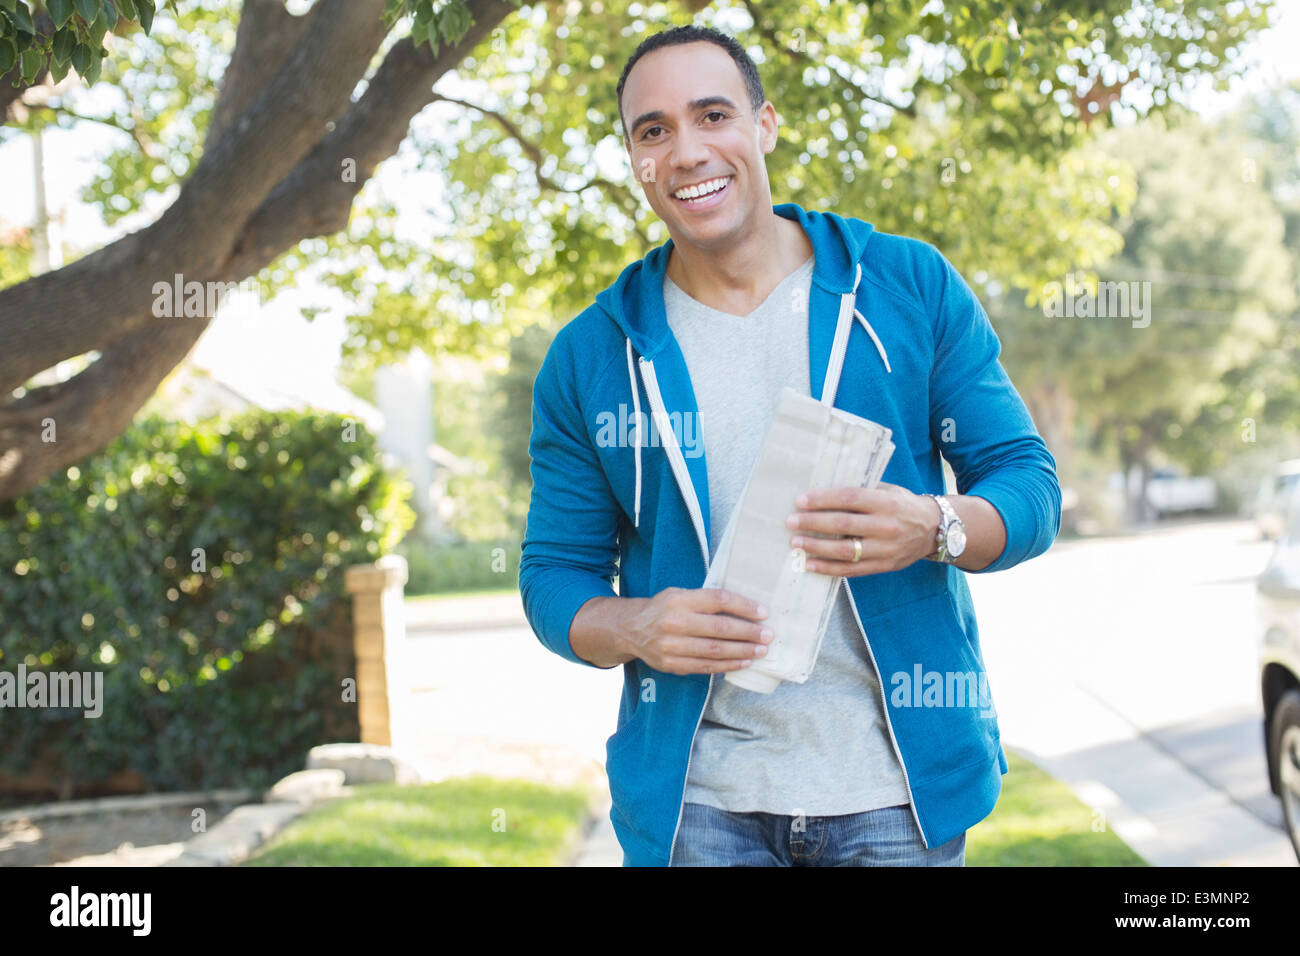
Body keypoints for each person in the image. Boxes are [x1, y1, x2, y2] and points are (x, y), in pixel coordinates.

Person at [518, 24, 1061, 867]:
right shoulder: (591, 357)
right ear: (634, 160)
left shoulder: (905, 285)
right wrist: (640, 625)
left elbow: (1027, 485)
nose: (688, 150)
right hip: (701, 811)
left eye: (713, 115)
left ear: (765, 125)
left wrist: (933, 524)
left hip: (895, 799)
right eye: (653, 131)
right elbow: (554, 576)